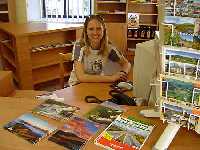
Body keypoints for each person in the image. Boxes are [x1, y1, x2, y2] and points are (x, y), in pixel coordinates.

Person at [68, 15, 131, 86]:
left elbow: (126, 64)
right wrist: (112, 78)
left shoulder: (109, 47)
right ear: (86, 31)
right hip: (77, 85)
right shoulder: (79, 46)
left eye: (98, 29)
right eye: (91, 29)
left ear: (103, 30)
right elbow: (81, 77)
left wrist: (123, 73)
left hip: (96, 84)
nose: (95, 33)